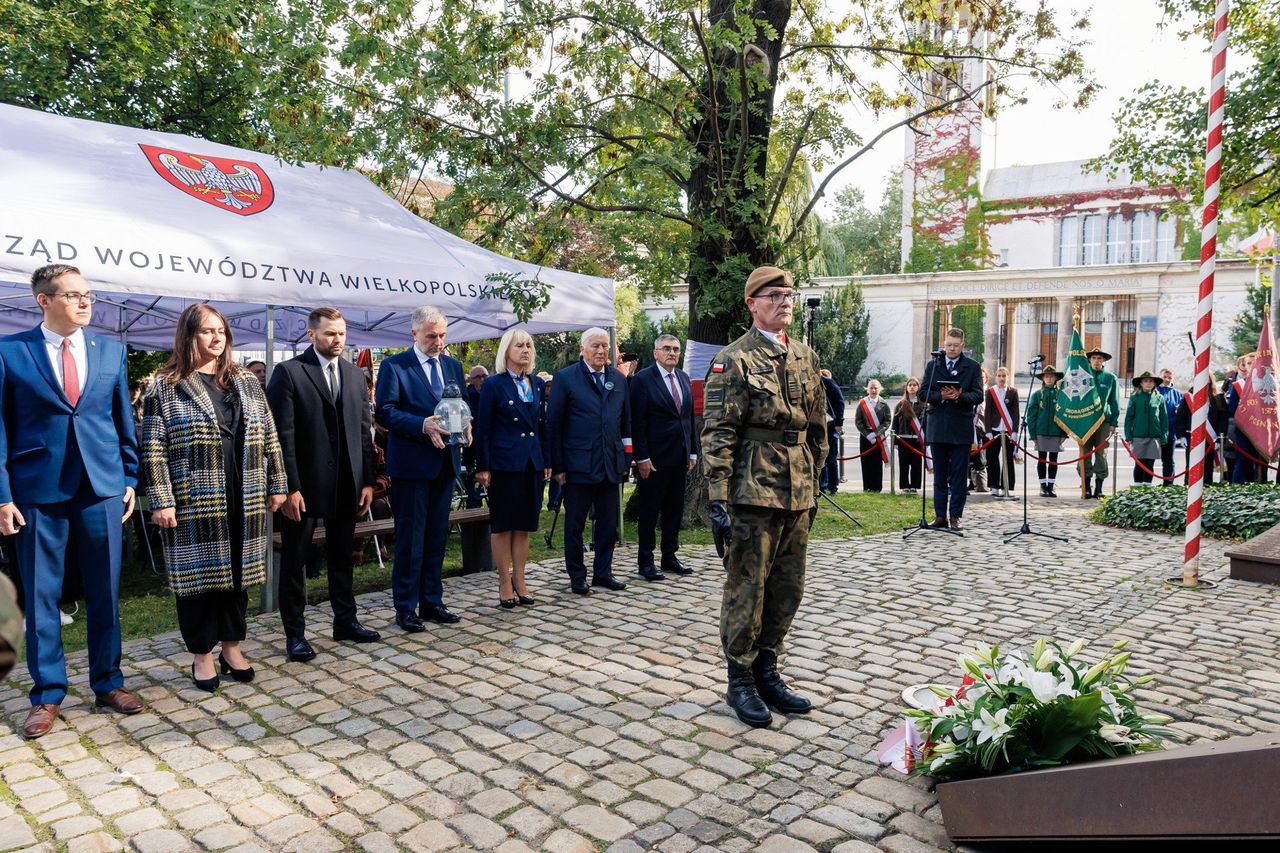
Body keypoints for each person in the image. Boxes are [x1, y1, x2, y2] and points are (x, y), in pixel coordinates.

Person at [0, 265, 144, 738]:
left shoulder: (111, 350)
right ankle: (47, 694)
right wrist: (2, 496)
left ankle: (108, 683)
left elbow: (122, 419)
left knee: (105, 589)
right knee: (41, 595)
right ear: (44, 300)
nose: (85, 302)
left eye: (89, 295)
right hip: (36, 491)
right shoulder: (9, 351)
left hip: (101, 487)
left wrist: (128, 477)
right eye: (74, 295)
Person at [702, 265, 826, 729]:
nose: (784, 302)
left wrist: (815, 481)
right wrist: (719, 499)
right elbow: (718, 433)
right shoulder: (733, 359)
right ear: (752, 304)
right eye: (773, 296)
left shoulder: (804, 357)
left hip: (797, 489)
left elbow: (818, 427)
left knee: (787, 588)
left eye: (788, 295)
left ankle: (767, 670)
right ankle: (740, 680)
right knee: (747, 588)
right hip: (752, 490)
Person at [141, 304, 288, 692]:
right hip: (194, 495)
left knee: (238, 576)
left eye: (221, 330)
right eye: (207, 331)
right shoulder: (166, 385)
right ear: (189, 336)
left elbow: (270, 434)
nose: (217, 337)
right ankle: (202, 654)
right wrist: (162, 498)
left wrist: (278, 483)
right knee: (198, 581)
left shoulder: (245, 380)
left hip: (245, 489)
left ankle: (232, 647)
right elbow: (153, 448)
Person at [266, 307, 379, 663]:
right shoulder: (289, 373)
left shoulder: (354, 375)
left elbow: (364, 431)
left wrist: (367, 480)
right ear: (311, 334)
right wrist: (289, 487)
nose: (337, 339)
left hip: (347, 482)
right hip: (304, 485)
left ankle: (345, 621)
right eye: (330, 333)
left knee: (342, 555)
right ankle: (295, 634)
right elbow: (281, 436)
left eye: (341, 333)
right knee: (296, 560)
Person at [374, 305, 469, 631]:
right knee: (411, 540)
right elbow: (385, 412)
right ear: (414, 333)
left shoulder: (453, 365)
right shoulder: (395, 366)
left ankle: (432, 601)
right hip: (412, 466)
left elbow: (461, 405)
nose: (438, 342)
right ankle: (405, 607)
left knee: (436, 538)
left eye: (442, 335)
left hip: (445, 463)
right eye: (431, 336)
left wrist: (467, 422)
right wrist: (421, 424)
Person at [547, 328, 632, 594]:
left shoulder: (618, 379)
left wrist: (626, 459)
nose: (601, 351)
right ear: (582, 349)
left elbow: (626, 423)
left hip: (610, 463)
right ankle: (577, 575)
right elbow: (554, 425)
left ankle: (603, 572)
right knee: (575, 524)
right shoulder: (566, 378)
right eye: (595, 346)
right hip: (578, 465)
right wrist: (558, 466)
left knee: (607, 523)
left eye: (604, 346)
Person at [475, 329, 550, 607]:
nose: (525, 350)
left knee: (524, 524)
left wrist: (546, 460)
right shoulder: (494, 384)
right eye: (519, 345)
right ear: (506, 350)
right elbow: (484, 428)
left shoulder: (537, 383)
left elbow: (542, 426)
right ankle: (504, 581)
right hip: (504, 464)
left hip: (532, 462)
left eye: (528, 345)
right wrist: (483, 466)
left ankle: (520, 578)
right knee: (504, 524)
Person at [630, 335, 697, 581]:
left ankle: (669, 556)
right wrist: (642, 457)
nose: (672, 353)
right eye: (666, 349)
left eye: (676, 349)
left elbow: (688, 418)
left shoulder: (683, 378)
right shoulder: (643, 380)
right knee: (649, 512)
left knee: (674, 510)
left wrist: (692, 451)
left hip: (679, 457)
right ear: (655, 352)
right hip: (654, 460)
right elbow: (637, 421)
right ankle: (646, 561)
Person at [920, 328, 983, 530]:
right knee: (939, 475)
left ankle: (955, 516)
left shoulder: (972, 367)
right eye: (948, 345)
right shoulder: (933, 365)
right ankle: (940, 516)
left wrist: (960, 396)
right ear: (944, 344)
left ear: (962, 345)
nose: (952, 349)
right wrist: (941, 396)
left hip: (960, 427)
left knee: (958, 476)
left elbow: (979, 395)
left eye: (956, 345)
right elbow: (923, 393)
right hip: (938, 426)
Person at [1082, 347, 1120, 498]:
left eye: (1099, 358)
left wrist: (1113, 422)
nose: (1096, 361)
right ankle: (1086, 486)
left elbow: (1114, 401)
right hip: (1085, 421)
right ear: (1089, 360)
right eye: (1094, 358)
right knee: (1084, 454)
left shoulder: (1110, 378)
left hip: (1103, 421)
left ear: (1103, 361)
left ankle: (1099, 487)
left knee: (1101, 454)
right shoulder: (1082, 376)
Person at [1226, 352, 1268, 484]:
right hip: (1244, 431)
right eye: (1248, 363)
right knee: (1242, 462)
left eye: (1254, 362)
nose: (1251, 365)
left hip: (1263, 429)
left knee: (1262, 465)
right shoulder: (1238, 385)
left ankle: (1262, 490)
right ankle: (1238, 490)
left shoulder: (1269, 383)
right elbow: (1232, 409)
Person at [1176, 381, 1229, 486]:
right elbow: (1181, 416)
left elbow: (1222, 419)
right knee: (1191, 464)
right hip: (1192, 436)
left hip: (1211, 437)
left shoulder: (1218, 397)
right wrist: (1181, 435)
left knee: (1208, 464)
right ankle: (1188, 486)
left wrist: (1220, 438)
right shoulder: (1189, 397)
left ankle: (1207, 485)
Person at [1026, 365, 1067, 497]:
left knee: (1053, 460)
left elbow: (1065, 415)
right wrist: (1033, 435)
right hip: (1041, 432)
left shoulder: (1061, 394)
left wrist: (1064, 434)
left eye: (1051, 376)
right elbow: (1031, 416)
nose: (1049, 378)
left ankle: (1051, 486)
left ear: (1056, 378)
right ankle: (1043, 486)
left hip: (1056, 432)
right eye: (1047, 376)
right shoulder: (1037, 395)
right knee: (1042, 459)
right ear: (1043, 378)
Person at [1125, 371, 1169, 486]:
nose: (1148, 383)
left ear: (1154, 384)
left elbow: (1163, 419)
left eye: (1151, 381)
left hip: (1154, 437)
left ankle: (1147, 488)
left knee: (1149, 464)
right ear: (1141, 383)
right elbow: (1129, 418)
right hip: (1138, 436)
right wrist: (1128, 435)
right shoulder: (1135, 398)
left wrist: (1164, 436)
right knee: (1139, 464)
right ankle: (1137, 488)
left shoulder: (1159, 398)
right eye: (1145, 381)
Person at [982, 366, 1020, 498]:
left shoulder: (1013, 392)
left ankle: (1006, 486)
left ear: (1008, 377)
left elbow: (1016, 413)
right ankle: (994, 486)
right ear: (996, 377)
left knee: (1008, 459)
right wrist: (988, 430)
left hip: (1008, 429)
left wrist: (1015, 431)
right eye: (999, 376)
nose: (1002, 378)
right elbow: (987, 412)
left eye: (1004, 376)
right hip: (994, 429)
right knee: (993, 458)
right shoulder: (991, 392)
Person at [853, 379, 889, 492]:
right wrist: (867, 434)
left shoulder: (884, 404)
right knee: (866, 461)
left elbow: (887, 421)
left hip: (879, 436)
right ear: (867, 389)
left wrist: (876, 433)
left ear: (880, 389)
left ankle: (877, 487)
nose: (873, 390)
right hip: (865, 437)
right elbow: (858, 421)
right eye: (871, 388)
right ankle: (867, 486)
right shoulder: (862, 403)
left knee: (877, 461)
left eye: (875, 388)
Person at [462, 365, 489, 508]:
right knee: (473, 491)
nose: (482, 379)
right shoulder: (465, 397)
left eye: (484, 376)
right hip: (472, 449)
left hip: (491, 449)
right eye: (478, 377)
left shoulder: (493, 393)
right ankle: (473, 515)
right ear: (471, 380)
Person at [891, 377, 923, 493]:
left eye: (915, 385)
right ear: (906, 388)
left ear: (918, 387)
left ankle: (914, 486)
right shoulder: (901, 404)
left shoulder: (923, 405)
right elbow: (895, 423)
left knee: (916, 464)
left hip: (917, 439)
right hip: (903, 439)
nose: (912, 387)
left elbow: (926, 424)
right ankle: (904, 485)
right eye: (910, 385)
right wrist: (895, 441)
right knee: (904, 464)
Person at [819, 369, 845, 494]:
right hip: (818, 424)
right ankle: (821, 485)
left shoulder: (827, 382)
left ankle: (832, 486)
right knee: (820, 456)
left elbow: (840, 402)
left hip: (829, 424)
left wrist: (839, 423)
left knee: (830, 457)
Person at [1156, 369, 1184, 486]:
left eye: (1170, 377)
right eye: (1165, 377)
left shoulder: (1178, 394)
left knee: (1168, 460)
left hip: (1170, 432)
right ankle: (1145, 484)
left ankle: (1168, 484)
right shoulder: (1154, 391)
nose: (1167, 379)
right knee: (1148, 460)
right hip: (1154, 431)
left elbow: (1181, 414)